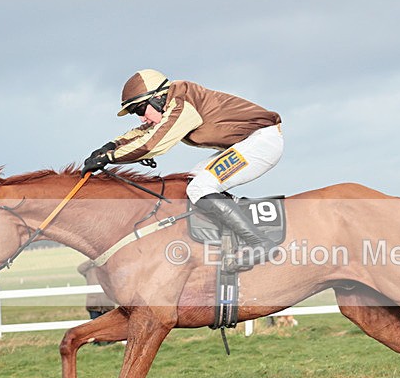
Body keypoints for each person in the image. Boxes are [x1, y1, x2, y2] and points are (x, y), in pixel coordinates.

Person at [82, 69, 283, 271]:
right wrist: (110, 146)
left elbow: (152, 144)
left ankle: (260, 243)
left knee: (199, 188)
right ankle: (231, 230)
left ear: (158, 98)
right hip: (248, 143)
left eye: (140, 109)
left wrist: (110, 158)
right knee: (190, 181)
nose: (141, 117)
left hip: (262, 142)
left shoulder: (182, 104)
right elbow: (145, 132)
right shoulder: (173, 101)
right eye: (136, 112)